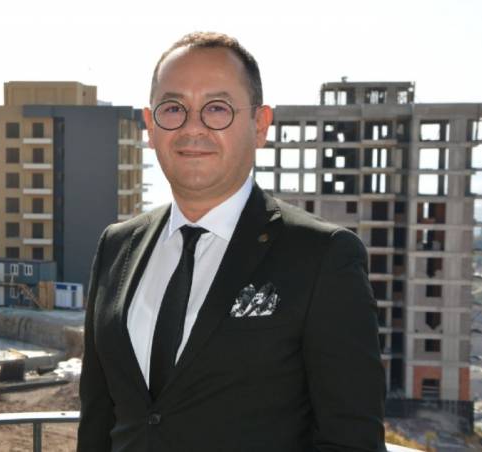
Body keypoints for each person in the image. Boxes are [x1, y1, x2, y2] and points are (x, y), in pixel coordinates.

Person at [78, 31, 385, 452]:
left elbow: (351, 441)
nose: (193, 128)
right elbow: (98, 419)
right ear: (150, 126)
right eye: (174, 109)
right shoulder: (116, 247)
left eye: (217, 109)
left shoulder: (322, 257)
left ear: (260, 125)